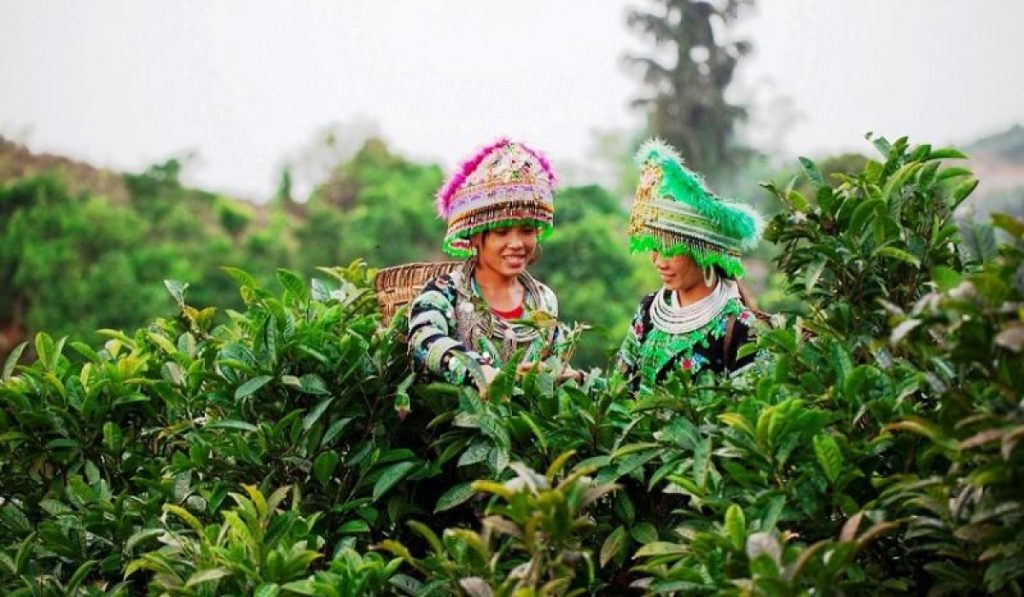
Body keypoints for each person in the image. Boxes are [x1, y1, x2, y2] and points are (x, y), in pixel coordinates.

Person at [408, 138, 578, 391]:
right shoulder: (444, 292)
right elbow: (422, 340)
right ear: (476, 236)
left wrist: (554, 375)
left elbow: (554, 363)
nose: (517, 243)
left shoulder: (545, 300)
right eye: (501, 232)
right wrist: (480, 371)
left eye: (527, 230)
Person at [617, 139, 765, 390]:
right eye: (655, 248)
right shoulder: (649, 309)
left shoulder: (742, 328)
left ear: (704, 251)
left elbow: (750, 415)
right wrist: (576, 379)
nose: (659, 261)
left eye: (671, 249)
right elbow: (618, 388)